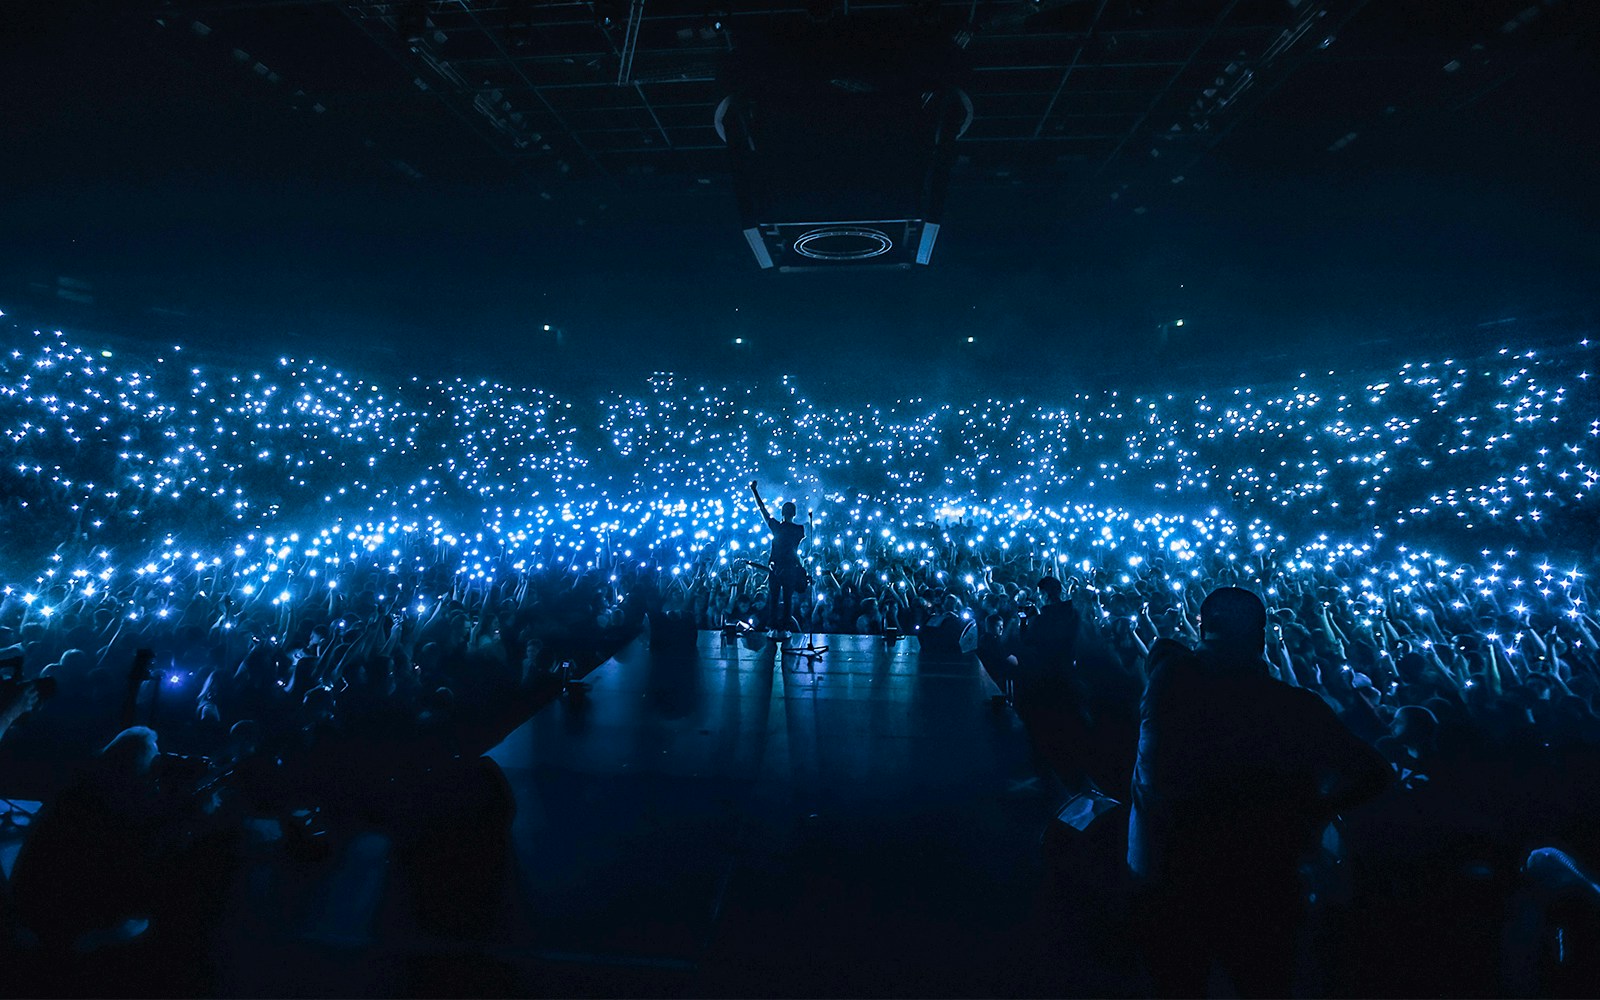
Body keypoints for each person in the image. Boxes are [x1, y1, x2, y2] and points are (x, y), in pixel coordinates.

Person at [1128, 586, 1393, 997]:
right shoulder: (1296, 708)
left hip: (1170, 871)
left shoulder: (1168, 681)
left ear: (1201, 629)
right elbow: (1376, 773)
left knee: (1176, 984)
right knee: (1263, 982)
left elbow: (1166, 650)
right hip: (1263, 880)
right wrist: (1312, 811)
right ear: (1262, 636)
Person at [749, 481, 807, 634]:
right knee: (787, 599)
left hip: (775, 567)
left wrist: (754, 491)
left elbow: (762, 510)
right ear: (794, 514)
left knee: (774, 598)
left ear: (782, 512)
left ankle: (773, 628)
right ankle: (786, 628)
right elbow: (800, 549)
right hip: (791, 568)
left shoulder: (777, 527)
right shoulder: (799, 529)